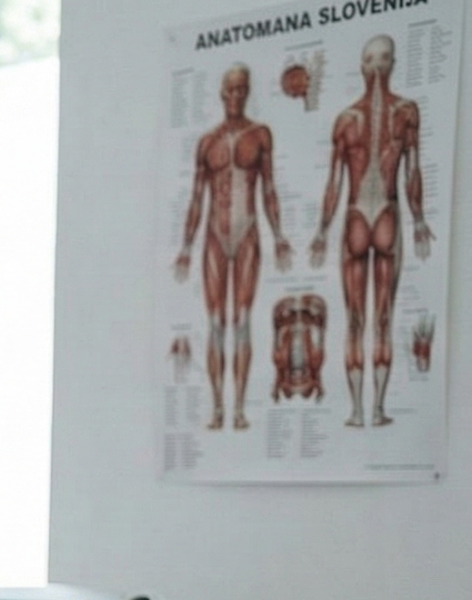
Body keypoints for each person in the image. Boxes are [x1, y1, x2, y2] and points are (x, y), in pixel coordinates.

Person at [308, 33, 435, 429]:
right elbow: (333, 181)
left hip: (369, 216)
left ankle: (369, 409)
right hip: (373, 215)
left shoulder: (385, 114)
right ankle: (366, 410)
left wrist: (419, 219)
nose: (378, 66)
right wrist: (321, 229)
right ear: (363, 66)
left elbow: (413, 170)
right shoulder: (387, 114)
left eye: (383, 58)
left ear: (392, 63)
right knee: (366, 317)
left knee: (375, 316)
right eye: (372, 59)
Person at [172, 62, 290, 432]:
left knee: (241, 321)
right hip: (214, 236)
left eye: (243, 89)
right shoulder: (207, 142)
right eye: (231, 89)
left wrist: (280, 235)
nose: (237, 95)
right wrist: (186, 247)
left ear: (248, 92)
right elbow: (196, 198)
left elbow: (269, 188)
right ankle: (217, 408)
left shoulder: (260, 135)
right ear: (222, 94)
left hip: (248, 232)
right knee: (216, 323)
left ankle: (238, 408)